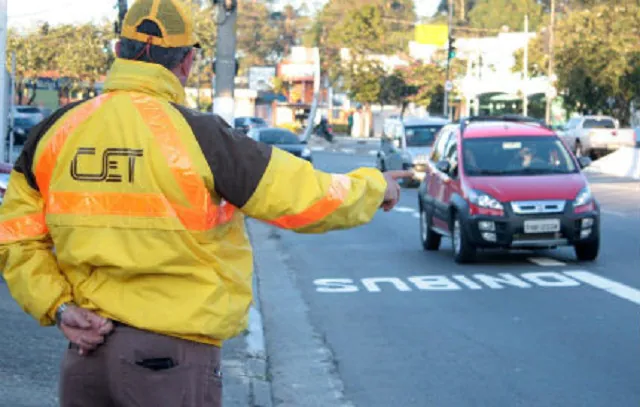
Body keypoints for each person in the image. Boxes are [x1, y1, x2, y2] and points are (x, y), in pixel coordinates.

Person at [0, 1, 412, 406]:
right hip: (169, 365)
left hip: (85, 358)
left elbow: (15, 239)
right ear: (187, 63)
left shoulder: (52, 133)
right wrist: (375, 188)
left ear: (117, 51)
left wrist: (58, 306)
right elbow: (303, 196)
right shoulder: (199, 136)